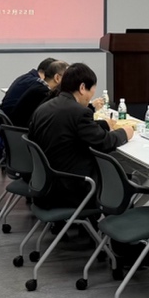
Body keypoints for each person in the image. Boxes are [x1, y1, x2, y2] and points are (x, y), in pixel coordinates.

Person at [27, 63, 133, 211]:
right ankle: (123, 220)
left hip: (43, 186)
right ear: (82, 87)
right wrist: (124, 133)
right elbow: (103, 142)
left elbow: (70, 129)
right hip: (71, 189)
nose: (90, 98)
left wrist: (102, 125)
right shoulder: (79, 112)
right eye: (92, 92)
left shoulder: (43, 108)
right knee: (122, 180)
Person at [9, 60, 68, 129]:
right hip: (22, 131)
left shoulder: (37, 87)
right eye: (67, 77)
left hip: (16, 129)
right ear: (57, 78)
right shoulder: (44, 94)